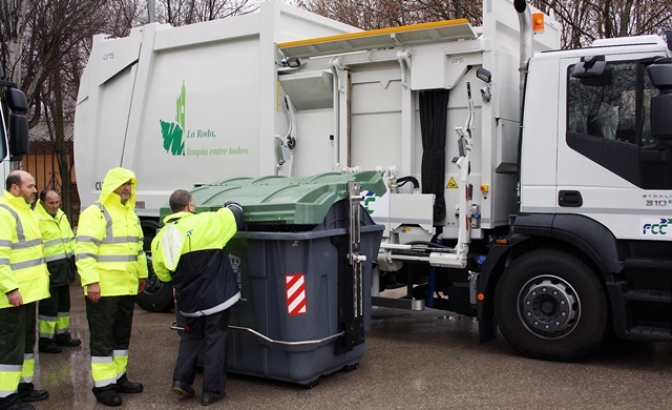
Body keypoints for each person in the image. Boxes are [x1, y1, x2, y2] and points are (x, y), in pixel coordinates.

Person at [152, 189, 244, 407]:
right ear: (190, 206)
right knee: (215, 337)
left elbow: (163, 274)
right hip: (216, 297)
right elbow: (234, 214)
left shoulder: (160, 238)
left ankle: (181, 381)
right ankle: (211, 391)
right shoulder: (206, 222)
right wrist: (231, 203)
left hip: (189, 300)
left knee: (191, 337)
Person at [75, 167, 147, 407]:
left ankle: (118, 378)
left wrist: (142, 275)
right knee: (103, 338)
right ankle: (103, 386)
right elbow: (85, 251)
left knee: (121, 336)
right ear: (111, 186)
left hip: (125, 287)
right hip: (103, 290)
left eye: (130, 184)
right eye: (123, 183)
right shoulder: (96, 212)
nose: (127, 188)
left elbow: (137, 249)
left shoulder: (130, 214)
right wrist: (91, 282)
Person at [0, 171, 50, 410]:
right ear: (15, 188)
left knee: (26, 343)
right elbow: (1, 258)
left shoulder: (26, 212)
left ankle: (24, 387)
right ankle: (6, 397)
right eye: (30, 186)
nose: (34, 190)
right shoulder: (4, 212)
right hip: (12, 296)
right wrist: (11, 289)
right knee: (11, 346)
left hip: (29, 293)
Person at [35, 189, 81, 354]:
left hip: (64, 267)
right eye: (51, 203)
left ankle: (62, 334)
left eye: (57, 202)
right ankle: (46, 340)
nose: (55, 206)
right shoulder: (36, 219)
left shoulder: (60, 215)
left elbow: (69, 240)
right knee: (49, 307)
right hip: (49, 270)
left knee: (63, 306)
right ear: (42, 203)